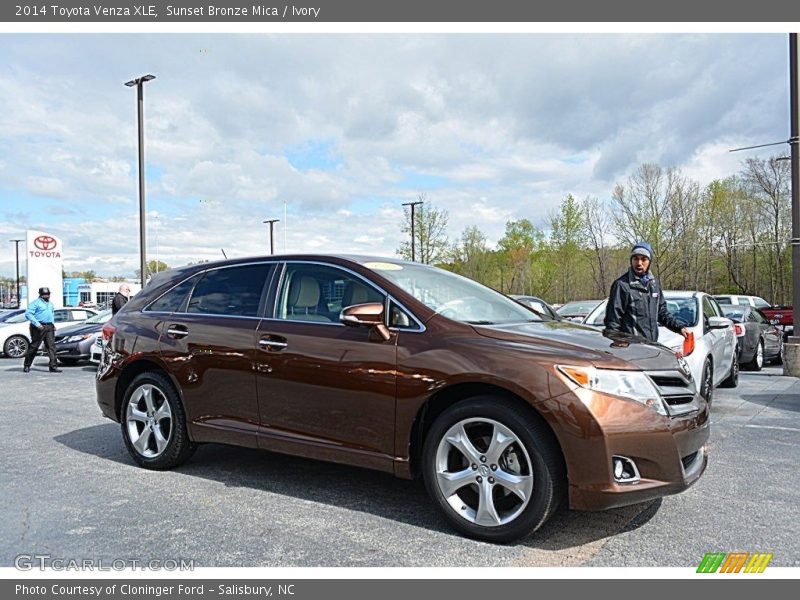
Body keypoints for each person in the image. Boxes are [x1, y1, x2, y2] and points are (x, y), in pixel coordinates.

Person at [604, 241, 689, 343]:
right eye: (635, 259)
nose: (639, 263)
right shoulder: (622, 285)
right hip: (631, 347)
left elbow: (662, 313)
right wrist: (616, 343)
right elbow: (613, 322)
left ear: (649, 261)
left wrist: (679, 327)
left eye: (644, 259)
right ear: (631, 260)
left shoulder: (654, 284)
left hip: (651, 345)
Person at [22, 287, 61, 373]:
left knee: (51, 347)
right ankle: (27, 365)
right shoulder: (35, 303)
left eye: (48, 294)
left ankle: (53, 366)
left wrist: (52, 324)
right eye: (45, 294)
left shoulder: (50, 304)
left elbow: (51, 314)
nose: (47, 296)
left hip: (49, 326)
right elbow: (28, 314)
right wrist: (37, 324)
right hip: (38, 327)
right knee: (34, 346)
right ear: (41, 295)